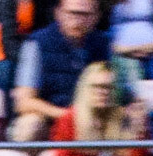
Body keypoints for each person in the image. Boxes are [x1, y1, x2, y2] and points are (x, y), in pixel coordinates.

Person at [10, 0, 111, 142]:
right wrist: (67, 115)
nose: (78, 20)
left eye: (85, 15)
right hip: (50, 120)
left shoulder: (103, 45)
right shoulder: (37, 43)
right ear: (58, 13)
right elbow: (24, 102)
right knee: (29, 126)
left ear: (97, 17)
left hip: (92, 120)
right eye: (72, 13)